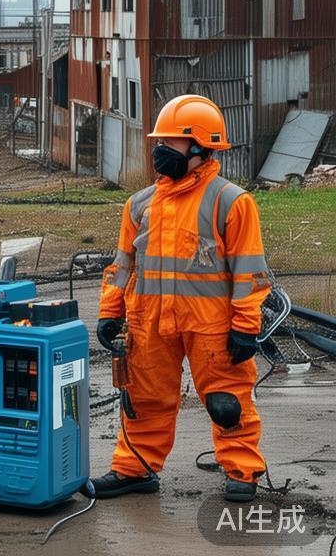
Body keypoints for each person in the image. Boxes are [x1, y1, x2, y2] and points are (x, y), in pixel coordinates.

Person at [93, 94, 271, 503]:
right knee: (143, 398)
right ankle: (134, 468)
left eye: (170, 142)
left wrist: (246, 326)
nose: (160, 150)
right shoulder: (139, 205)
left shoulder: (232, 201)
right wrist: (109, 311)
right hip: (149, 323)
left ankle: (242, 470)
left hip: (211, 326)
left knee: (227, 402)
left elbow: (250, 272)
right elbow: (122, 266)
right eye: (161, 141)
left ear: (199, 146)